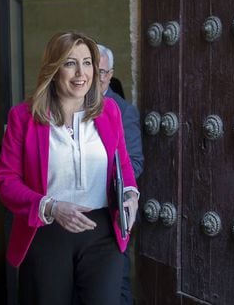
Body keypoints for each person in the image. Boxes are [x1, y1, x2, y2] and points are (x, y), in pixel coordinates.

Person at [0, 31, 139, 305]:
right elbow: (6, 182)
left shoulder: (109, 111)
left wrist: (130, 194)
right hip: (46, 232)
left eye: (87, 63)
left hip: (102, 233)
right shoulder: (23, 117)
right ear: (53, 67)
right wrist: (51, 207)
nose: (80, 73)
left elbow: (122, 165)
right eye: (70, 63)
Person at [97, 44, 144, 305]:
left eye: (100, 71)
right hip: (77, 216)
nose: (93, 76)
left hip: (110, 213)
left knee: (116, 286)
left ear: (109, 74)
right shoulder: (73, 108)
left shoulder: (124, 110)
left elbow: (135, 162)